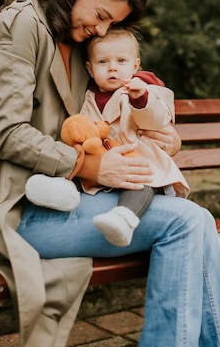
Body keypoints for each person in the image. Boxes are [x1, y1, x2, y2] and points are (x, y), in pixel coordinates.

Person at [0, 0, 220, 347]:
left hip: (66, 200)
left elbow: (112, 111)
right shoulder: (20, 26)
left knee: (194, 221)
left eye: (111, 24)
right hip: (14, 210)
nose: (102, 30)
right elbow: (6, 133)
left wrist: (162, 134)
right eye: (102, 15)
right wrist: (85, 165)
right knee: (187, 222)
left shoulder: (73, 38)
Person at [25, 27, 190, 247]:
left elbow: (156, 120)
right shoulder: (88, 97)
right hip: (103, 165)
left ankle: (124, 218)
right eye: (103, 62)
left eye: (121, 61)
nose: (112, 68)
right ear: (90, 69)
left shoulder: (145, 89)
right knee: (78, 160)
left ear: (135, 65)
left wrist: (140, 99)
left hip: (138, 161)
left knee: (140, 182)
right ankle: (63, 191)